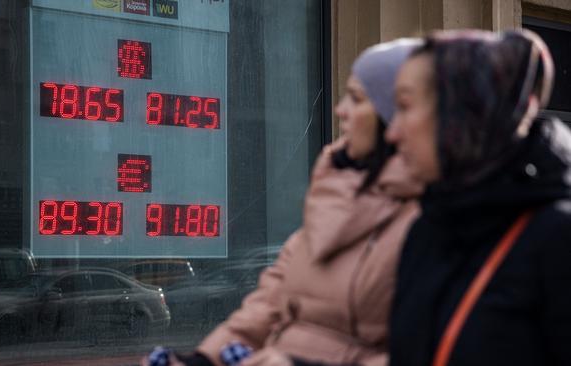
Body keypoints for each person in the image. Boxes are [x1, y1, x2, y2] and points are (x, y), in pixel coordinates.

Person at [165, 39, 424, 366]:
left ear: (397, 116)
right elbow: (268, 304)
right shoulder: (334, 200)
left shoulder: (431, 218)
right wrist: (203, 358)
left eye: (357, 99)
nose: (340, 110)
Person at [385, 29, 571, 366]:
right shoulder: (426, 229)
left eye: (405, 106)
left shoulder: (557, 238)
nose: (392, 132)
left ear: (465, 112)